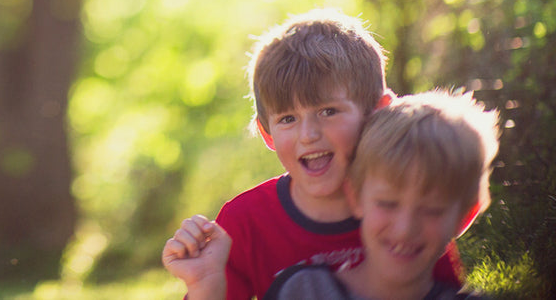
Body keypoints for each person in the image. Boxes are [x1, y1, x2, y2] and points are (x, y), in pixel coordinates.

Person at [162, 8, 463, 299]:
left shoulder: (407, 207)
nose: (308, 135)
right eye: (288, 119)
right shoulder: (243, 222)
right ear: (268, 134)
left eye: (328, 111)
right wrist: (205, 285)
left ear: (377, 113)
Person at [169, 89, 500, 300]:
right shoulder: (301, 292)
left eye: (431, 210)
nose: (404, 228)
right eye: (388, 204)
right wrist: (207, 288)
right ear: (354, 197)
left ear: (465, 215)